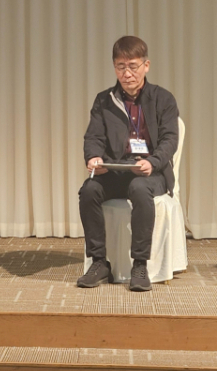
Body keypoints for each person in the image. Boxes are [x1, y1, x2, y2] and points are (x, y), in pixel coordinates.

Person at [77, 36, 180, 292]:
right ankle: (99, 262)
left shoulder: (162, 99)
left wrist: (152, 162)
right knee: (89, 190)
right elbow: (93, 137)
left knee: (139, 188)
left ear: (146, 65)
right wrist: (94, 158)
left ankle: (140, 265)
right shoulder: (104, 100)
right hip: (116, 170)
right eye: (120, 66)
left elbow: (170, 140)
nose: (127, 73)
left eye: (133, 66)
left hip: (150, 173)